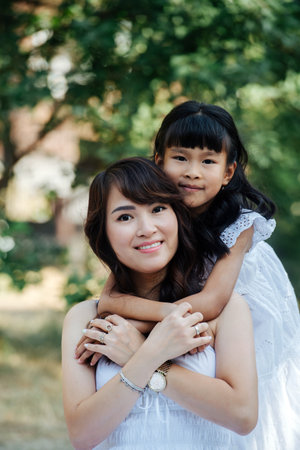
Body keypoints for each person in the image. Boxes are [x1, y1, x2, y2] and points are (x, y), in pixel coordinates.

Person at [77, 102, 300, 449]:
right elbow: (110, 300)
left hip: (239, 308)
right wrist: (156, 325)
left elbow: (211, 303)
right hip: (187, 311)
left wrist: (141, 327)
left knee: (256, 404)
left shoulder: (238, 225)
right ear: (159, 161)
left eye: (208, 161)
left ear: (228, 173)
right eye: (180, 158)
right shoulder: (157, 218)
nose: (192, 172)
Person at [62, 157, 258, 450]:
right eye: (125, 217)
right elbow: (82, 436)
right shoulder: (85, 318)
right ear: (103, 234)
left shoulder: (227, 310)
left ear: (177, 216)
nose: (147, 228)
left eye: (157, 209)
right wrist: (148, 356)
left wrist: (146, 357)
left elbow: (242, 416)